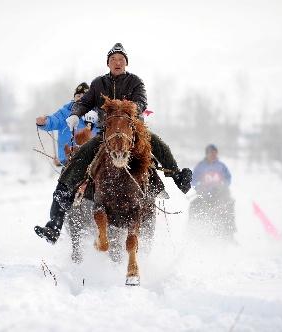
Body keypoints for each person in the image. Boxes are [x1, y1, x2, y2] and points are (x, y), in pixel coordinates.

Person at [34, 42, 192, 244]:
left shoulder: (136, 82)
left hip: (133, 131)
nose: (117, 63)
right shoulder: (98, 83)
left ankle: (177, 176)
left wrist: (124, 110)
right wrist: (75, 114)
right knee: (75, 164)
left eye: (121, 60)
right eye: (113, 60)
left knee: (160, 145)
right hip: (106, 133)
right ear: (108, 63)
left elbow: (142, 102)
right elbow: (84, 102)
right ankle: (54, 224)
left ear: (126, 63)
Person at [36, 82, 99, 166]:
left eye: (84, 96)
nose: (81, 98)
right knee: (68, 178)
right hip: (69, 160)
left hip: (94, 159)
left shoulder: (97, 113)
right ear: (74, 98)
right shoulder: (65, 112)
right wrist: (44, 122)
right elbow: (54, 120)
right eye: (78, 96)